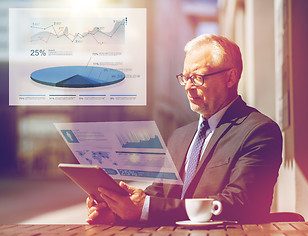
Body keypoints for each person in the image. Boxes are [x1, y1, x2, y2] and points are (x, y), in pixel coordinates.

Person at [87, 34, 282, 225]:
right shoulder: (180, 136)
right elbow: (160, 193)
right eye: (185, 77)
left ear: (230, 78)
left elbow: (241, 203)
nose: (188, 86)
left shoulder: (259, 131)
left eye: (197, 77)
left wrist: (145, 207)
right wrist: (119, 210)